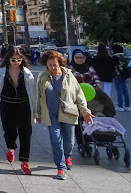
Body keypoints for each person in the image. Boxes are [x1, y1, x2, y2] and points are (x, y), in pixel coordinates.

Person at [35, 50, 94, 180]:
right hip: (51, 114)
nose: (52, 67)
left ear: (60, 63)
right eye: (49, 65)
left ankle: (67, 156)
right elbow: (39, 96)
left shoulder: (68, 75)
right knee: (56, 140)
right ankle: (60, 167)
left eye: (54, 64)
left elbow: (79, 94)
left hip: (68, 113)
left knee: (69, 142)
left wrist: (85, 112)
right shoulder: (42, 76)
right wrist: (37, 113)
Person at [0, 46, 36, 175]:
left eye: (19, 60)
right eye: (13, 60)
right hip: (7, 104)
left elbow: (32, 90)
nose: (16, 62)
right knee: (9, 129)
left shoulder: (26, 73)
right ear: (8, 60)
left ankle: (24, 161)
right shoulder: (1, 72)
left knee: (25, 132)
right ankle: (11, 147)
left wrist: (35, 109)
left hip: (23, 105)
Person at [111, 44, 131, 112]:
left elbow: (113, 67)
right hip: (124, 75)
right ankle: (127, 106)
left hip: (117, 75)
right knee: (125, 90)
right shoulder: (124, 56)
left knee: (119, 91)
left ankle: (120, 106)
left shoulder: (114, 57)